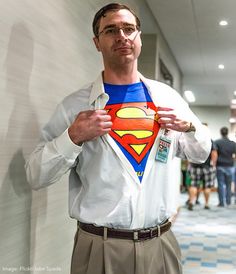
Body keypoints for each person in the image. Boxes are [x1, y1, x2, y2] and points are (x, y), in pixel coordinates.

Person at [25, 3, 211, 274]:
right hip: (99, 247)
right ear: (97, 42)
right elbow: (36, 174)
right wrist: (72, 136)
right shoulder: (75, 106)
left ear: (138, 37)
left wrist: (191, 127)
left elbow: (201, 153)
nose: (122, 36)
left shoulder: (168, 98)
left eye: (129, 29)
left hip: (161, 243)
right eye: (111, 30)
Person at [187, 140, 217, 210]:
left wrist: (190, 164)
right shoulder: (210, 141)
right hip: (207, 167)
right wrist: (213, 165)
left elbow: (188, 153)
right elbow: (214, 153)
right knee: (207, 186)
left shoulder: (193, 140)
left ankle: (191, 202)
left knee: (193, 185)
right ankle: (206, 204)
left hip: (194, 166)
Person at [215, 127, 236, 207]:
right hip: (230, 166)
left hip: (220, 165)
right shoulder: (233, 143)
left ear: (221, 133)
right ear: (227, 133)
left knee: (220, 184)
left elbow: (215, 154)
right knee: (229, 184)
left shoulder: (217, 142)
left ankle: (221, 203)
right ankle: (228, 201)